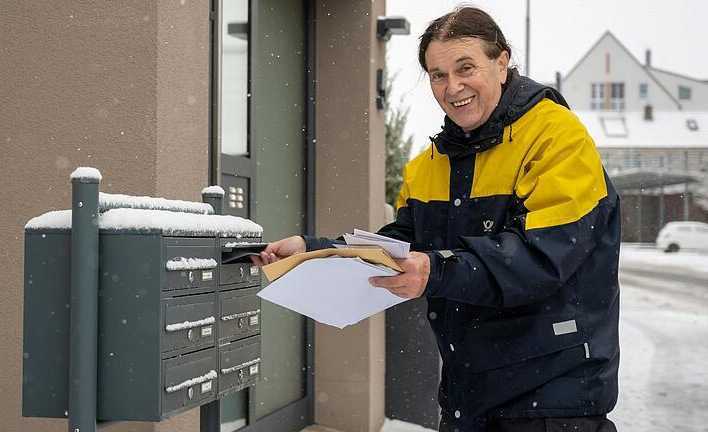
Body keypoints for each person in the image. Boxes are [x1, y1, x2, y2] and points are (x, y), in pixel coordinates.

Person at [255, 6, 620, 432]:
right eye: (438, 74)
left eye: (466, 68)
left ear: (501, 63)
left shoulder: (558, 139)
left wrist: (436, 270)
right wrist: (312, 252)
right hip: (466, 401)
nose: (453, 87)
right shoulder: (429, 165)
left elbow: (543, 257)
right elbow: (399, 247)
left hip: (553, 405)